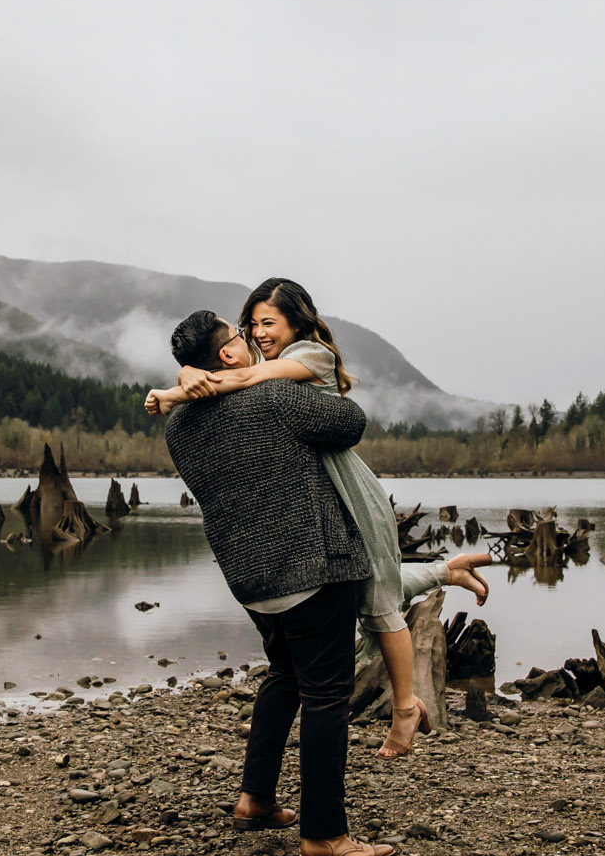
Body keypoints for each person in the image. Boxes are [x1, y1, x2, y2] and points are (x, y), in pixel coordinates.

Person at [147, 280, 490, 758]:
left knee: (362, 608)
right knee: (360, 616)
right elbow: (324, 414)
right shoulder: (269, 387)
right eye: (250, 327)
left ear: (296, 322)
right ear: (228, 350)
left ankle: (400, 709)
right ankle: (398, 713)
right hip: (313, 538)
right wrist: (186, 381)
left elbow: (247, 383)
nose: (257, 334)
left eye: (267, 323)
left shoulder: (297, 362)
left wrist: (180, 384)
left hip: (287, 541)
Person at [160, 319, 397, 856]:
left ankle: (256, 798)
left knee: (284, 676)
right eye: (241, 332)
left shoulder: (178, 425)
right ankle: (324, 836)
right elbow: (350, 421)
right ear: (228, 351)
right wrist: (276, 374)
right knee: (325, 695)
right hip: (312, 568)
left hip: (250, 579)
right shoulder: (273, 397)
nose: (251, 337)